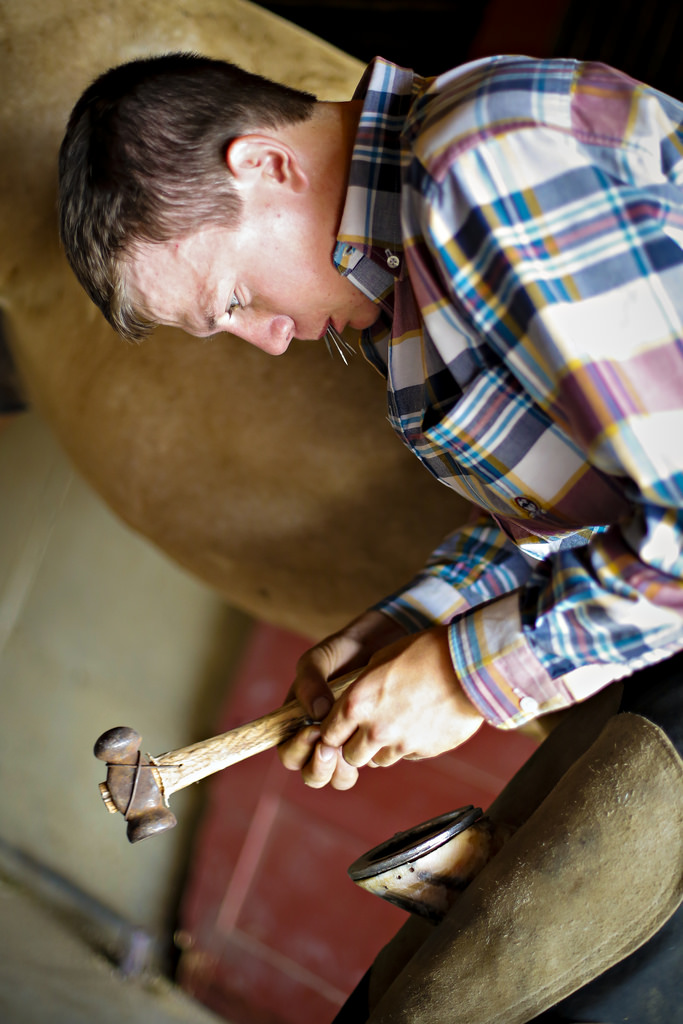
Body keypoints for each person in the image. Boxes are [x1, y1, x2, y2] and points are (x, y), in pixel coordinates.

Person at [59, 52, 683, 1022]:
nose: (264, 339)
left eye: (231, 299)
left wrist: (462, 676)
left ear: (265, 165)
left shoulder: (481, 156)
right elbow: (588, 518)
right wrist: (419, 623)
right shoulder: (403, 302)